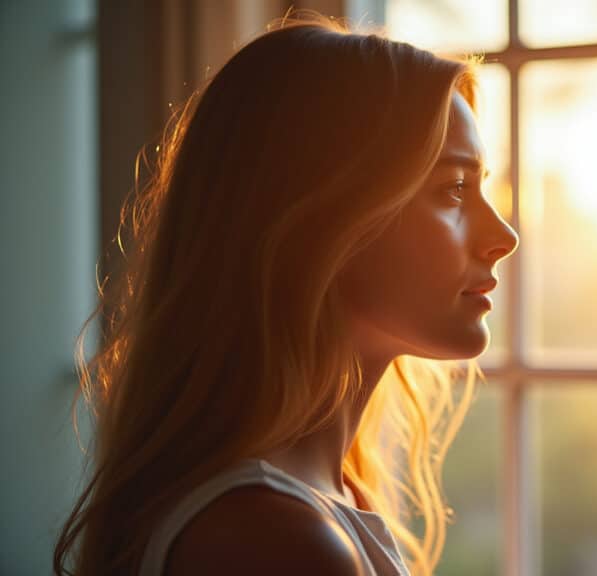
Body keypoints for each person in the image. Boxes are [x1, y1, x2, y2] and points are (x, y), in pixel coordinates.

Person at [53, 10, 518, 576]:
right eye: (453, 189)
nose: (503, 237)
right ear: (322, 221)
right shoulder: (276, 542)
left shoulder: (330, 496)